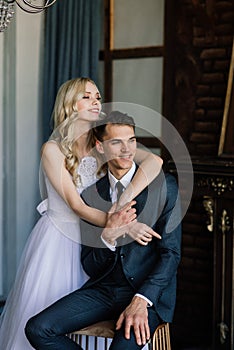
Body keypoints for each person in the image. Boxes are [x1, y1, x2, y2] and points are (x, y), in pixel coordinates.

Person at [0, 78, 163, 350]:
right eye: (87, 96)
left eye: (98, 96)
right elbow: (77, 207)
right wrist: (122, 225)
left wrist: (123, 202)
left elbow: (154, 161)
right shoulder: (52, 149)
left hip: (97, 241)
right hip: (58, 241)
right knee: (46, 322)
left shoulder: (104, 142)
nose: (96, 101)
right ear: (69, 104)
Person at [25, 111, 182, 350]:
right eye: (116, 142)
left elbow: (171, 254)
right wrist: (107, 238)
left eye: (131, 141)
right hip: (105, 291)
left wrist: (142, 300)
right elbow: (91, 264)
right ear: (100, 147)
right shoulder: (90, 195)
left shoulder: (164, 187)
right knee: (38, 329)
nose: (127, 149)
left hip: (147, 295)